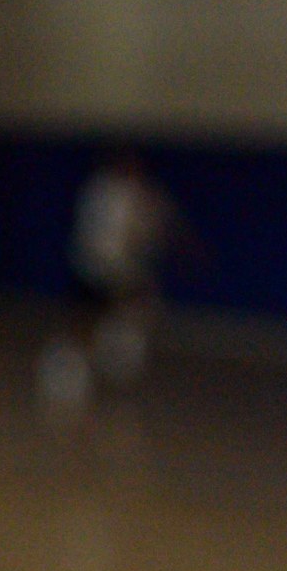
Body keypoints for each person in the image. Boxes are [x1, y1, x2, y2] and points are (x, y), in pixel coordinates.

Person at [39, 148, 185, 413]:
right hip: (100, 266)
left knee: (129, 315)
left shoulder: (136, 192)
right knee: (85, 322)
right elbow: (123, 233)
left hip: (119, 268)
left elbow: (156, 227)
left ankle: (112, 369)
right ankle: (66, 376)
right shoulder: (105, 191)